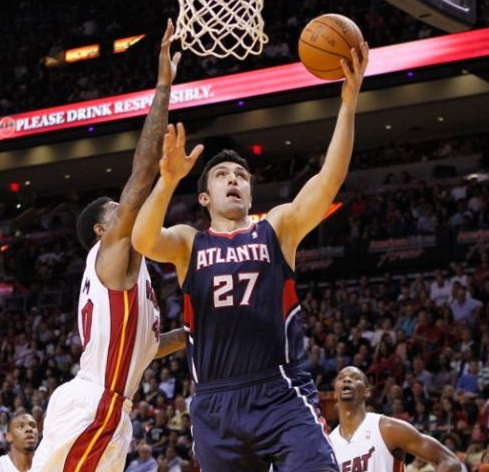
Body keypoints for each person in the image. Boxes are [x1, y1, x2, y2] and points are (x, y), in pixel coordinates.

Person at [132, 41, 370, 471]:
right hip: (215, 401)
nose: (234, 180)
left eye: (241, 175)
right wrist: (166, 182)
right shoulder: (189, 242)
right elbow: (143, 241)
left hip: (279, 389)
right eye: (223, 175)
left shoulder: (276, 228)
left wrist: (348, 106)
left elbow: (328, 181)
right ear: (205, 196)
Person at [29, 20, 187, 472]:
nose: (128, 212)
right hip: (95, 405)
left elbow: (146, 346)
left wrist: (200, 332)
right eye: (118, 210)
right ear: (103, 231)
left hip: (112, 408)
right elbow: (142, 173)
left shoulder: (130, 278)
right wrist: (163, 88)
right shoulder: (111, 254)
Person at [330, 366, 463, 472]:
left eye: (354, 377)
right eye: (341, 378)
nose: (347, 380)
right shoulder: (327, 445)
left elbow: (450, 461)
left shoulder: (387, 428)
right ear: (335, 392)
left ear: (367, 392)